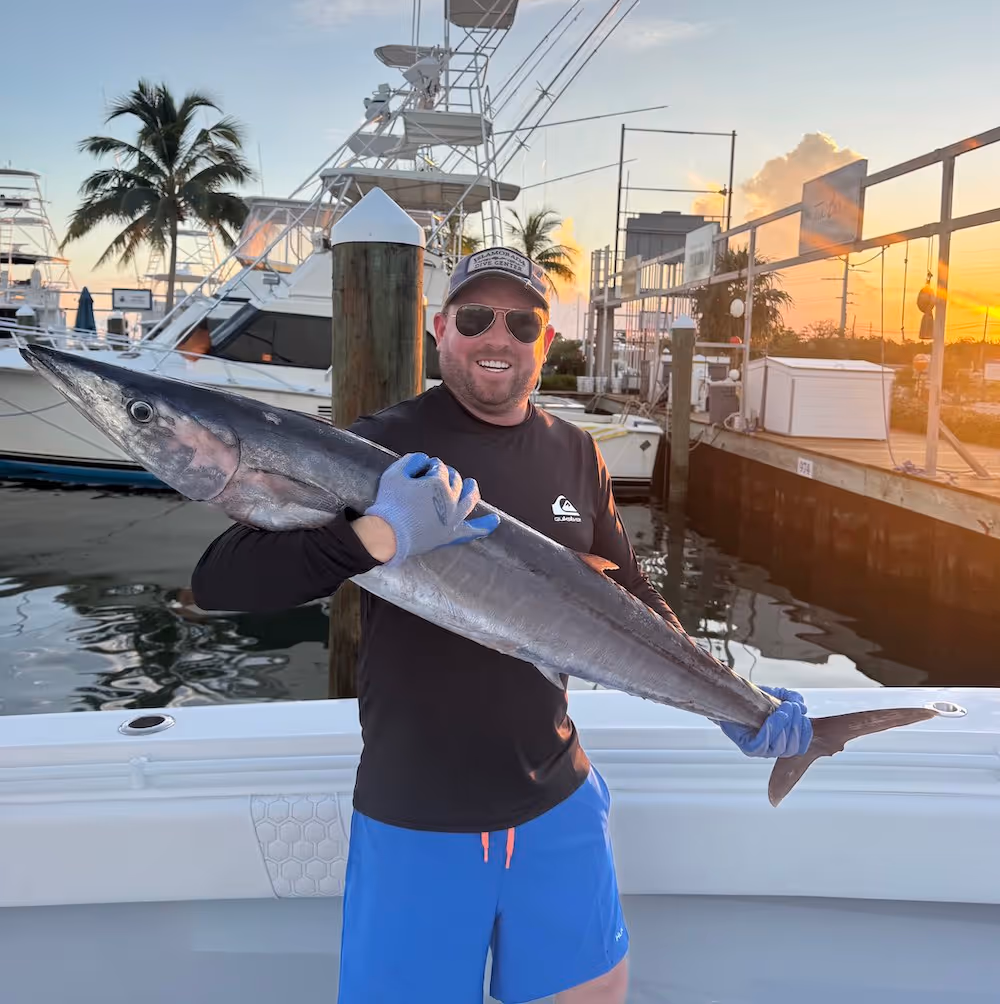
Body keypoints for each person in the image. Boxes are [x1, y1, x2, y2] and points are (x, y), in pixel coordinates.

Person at [190, 247, 811, 1003]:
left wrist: (733, 700)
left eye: (521, 322)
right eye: (477, 317)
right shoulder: (381, 448)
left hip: (561, 805)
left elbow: (633, 594)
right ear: (441, 327)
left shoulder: (576, 451)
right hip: (418, 817)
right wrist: (374, 535)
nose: (498, 338)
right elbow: (221, 581)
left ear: (545, 341)